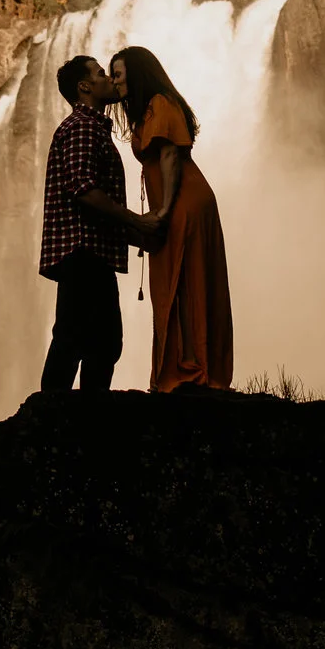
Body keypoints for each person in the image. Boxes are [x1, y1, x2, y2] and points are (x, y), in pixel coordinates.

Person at [112, 45, 233, 393]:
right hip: (178, 201)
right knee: (177, 281)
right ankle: (185, 367)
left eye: (118, 75)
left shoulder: (160, 104)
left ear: (136, 73)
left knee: (186, 279)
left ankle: (191, 370)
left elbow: (168, 155)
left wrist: (163, 210)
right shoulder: (150, 107)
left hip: (184, 201)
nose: (115, 82)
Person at [37, 54, 131, 392]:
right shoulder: (82, 126)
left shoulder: (90, 127)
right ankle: (57, 419)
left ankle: (68, 419)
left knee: (91, 340)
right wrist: (136, 223)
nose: (109, 79)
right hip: (83, 251)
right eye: (101, 73)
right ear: (85, 86)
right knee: (87, 340)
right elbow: (82, 188)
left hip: (88, 251)